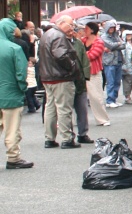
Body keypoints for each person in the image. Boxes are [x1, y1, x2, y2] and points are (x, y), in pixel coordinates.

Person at [37, 15, 80, 149]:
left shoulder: (47, 34)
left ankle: (49, 138)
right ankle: (67, 138)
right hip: (60, 76)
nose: (72, 27)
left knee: (50, 107)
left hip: (47, 76)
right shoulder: (59, 36)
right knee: (64, 108)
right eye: (70, 24)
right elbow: (61, 55)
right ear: (61, 23)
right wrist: (72, 66)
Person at [0, 18, 32, 168]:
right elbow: (21, 74)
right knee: (12, 129)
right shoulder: (14, 48)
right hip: (11, 94)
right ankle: (13, 158)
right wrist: (22, 88)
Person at [81, 22, 110, 127]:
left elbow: (93, 55)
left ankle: (102, 119)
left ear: (92, 30)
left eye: (86, 28)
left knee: (96, 97)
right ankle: (76, 120)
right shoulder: (82, 40)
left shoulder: (99, 42)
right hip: (81, 72)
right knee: (78, 97)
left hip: (93, 72)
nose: (84, 30)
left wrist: (81, 54)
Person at [70, 24, 93, 143]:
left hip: (80, 79)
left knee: (82, 108)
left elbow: (85, 61)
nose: (72, 32)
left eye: (73, 30)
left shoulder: (78, 44)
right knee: (66, 110)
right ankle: (69, 135)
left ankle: (83, 133)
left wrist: (85, 77)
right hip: (67, 79)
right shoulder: (61, 43)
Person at [101, 20, 125, 108]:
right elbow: (110, 45)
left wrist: (116, 45)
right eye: (110, 27)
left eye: (113, 27)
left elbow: (124, 45)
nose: (112, 29)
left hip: (118, 60)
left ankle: (114, 98)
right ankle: (109, 100)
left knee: (117, 82)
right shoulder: (103, 36)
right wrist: (118, 44)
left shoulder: (116, 36)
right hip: (109, 61)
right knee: (110, 82)